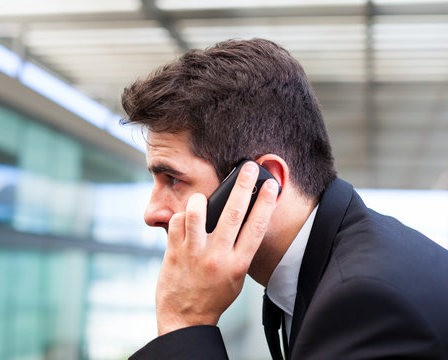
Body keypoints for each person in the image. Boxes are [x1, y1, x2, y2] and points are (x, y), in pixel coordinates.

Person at [120, 38, 448, 359]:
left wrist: (185, 325)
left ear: (265, 183)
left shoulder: (366, 302)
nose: (151, 213)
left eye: (173, 179)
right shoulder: (335, 267)